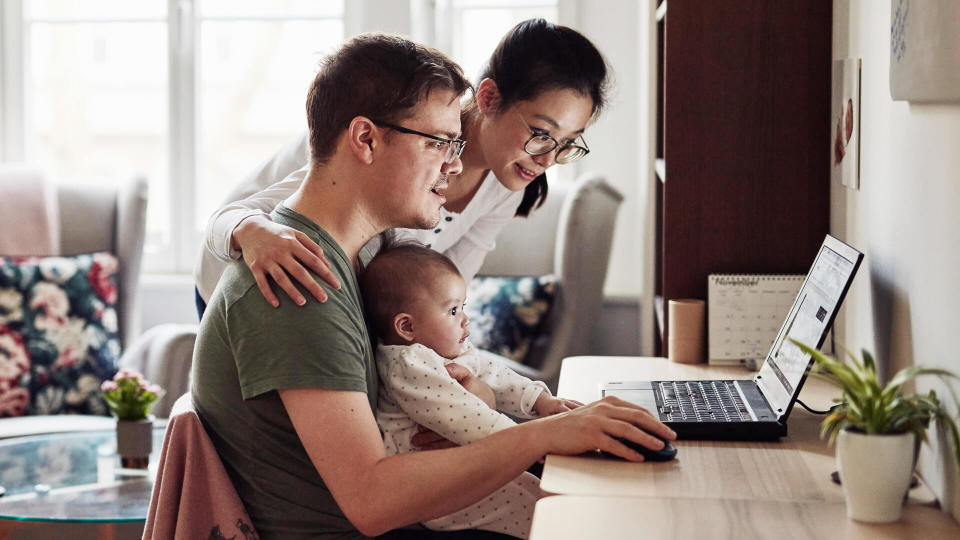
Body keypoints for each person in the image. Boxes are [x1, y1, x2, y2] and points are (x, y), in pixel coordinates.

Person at [191, 33, 676, 540]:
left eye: (455, 146)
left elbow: (442, 306)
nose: (452, 165)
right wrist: (541, 435)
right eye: (439, 144)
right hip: (243, 264)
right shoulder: (301, 274)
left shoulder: (373, 256)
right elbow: (372, 498)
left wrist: (475, 396)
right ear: (367, 140)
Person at [193, 18, 609, 318]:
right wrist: (253, 232)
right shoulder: (394, 136)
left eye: (567, 144)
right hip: (233, 271)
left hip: (321, 290)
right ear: (488, 97)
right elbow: (226, 219)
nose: (548, 159)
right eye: (540, 132)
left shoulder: (507, 183)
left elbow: (446, 289)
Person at [361, 242, 581, 538]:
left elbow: (494, 374)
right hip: (437, 490)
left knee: (549, 495)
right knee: (541, 510)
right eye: (453, 310)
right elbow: (464, 417)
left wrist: (540, 401)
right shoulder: (408, 364)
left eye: (463, 307)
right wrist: (533, 443)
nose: (465, 318)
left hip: (467, 462)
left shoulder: (445, 352)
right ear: (407, 327)